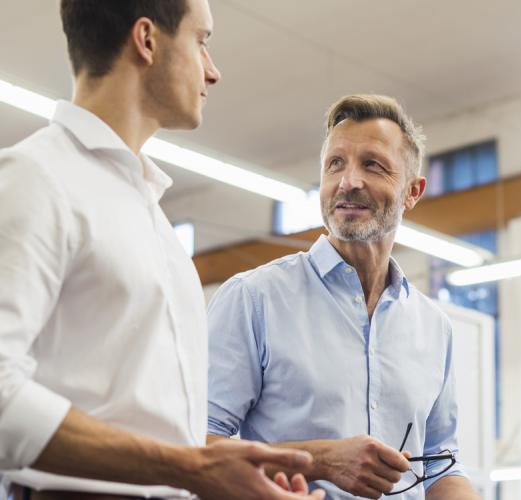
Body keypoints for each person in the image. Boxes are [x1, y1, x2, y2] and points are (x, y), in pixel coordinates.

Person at [0, 1, 323, 499]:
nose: (212, 71)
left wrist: (230, 481)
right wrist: (189, 468)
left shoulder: (148, 211)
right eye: (201, 41)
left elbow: (158, 428)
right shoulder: (35, 178)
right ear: (147, 40)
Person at [205, 95, 482, 500]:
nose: (348, 181)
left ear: (413, 191)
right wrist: (320, 461)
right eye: (335, 163)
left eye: (372, 164)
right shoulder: (253, 299)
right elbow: (198, 445)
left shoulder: (433, 326)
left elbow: (441, 465)